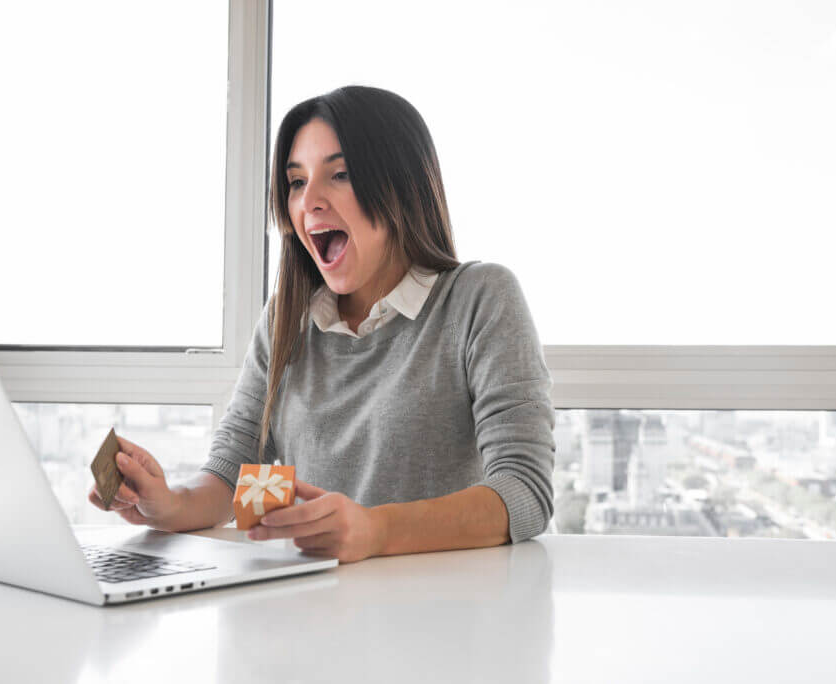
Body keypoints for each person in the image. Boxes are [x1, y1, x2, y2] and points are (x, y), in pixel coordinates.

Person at [88, 85, 555, 563]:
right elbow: (235, 477)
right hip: (310, 616)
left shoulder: (479, 299)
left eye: (340, 174)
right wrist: (171, 502)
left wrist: (375, 530)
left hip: (438, 621)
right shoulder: (286, 321)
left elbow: (523, 490)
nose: (309, 201)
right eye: (295, 182)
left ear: (400, 183)